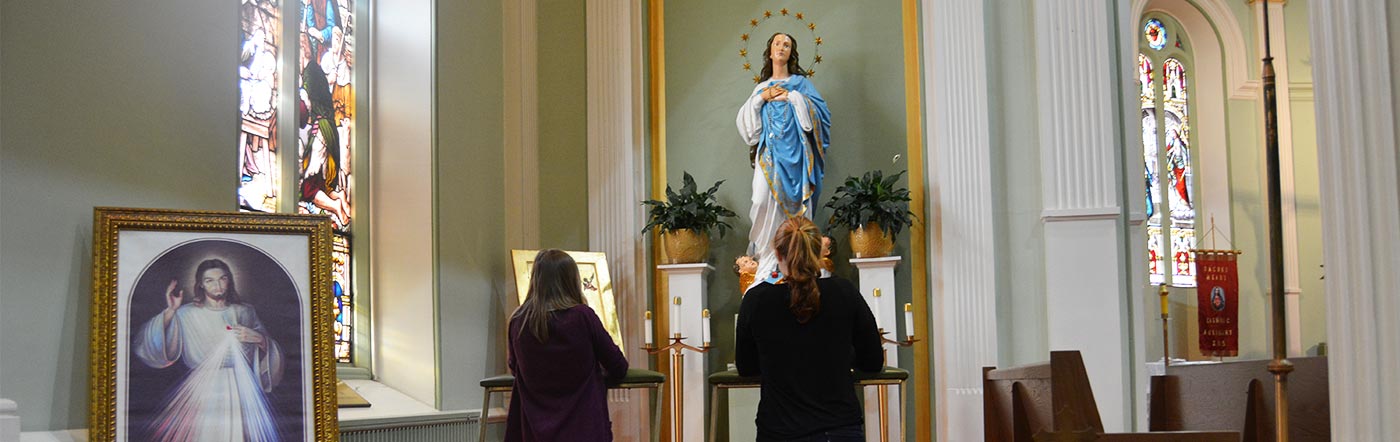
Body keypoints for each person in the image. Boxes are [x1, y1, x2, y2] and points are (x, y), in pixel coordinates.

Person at [736, 217, 882, 442]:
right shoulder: (844, 292)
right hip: (839, 428)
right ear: (819, 252)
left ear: (777, 254)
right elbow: (872, 360)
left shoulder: (756, 300)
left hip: (780, 429)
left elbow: (746, 367)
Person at [133, 258, 284, 442]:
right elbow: (150, 347)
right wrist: (170, 311)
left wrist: (260, 339)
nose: (217, 285)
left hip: (241, 387)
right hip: (202, 389)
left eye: (222, 278)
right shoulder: (186, 314)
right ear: (201, 285)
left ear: (229, 281)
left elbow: (271, 354)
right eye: (209, 280)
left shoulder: (245, 312)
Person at [736, 32, 832, 289]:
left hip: (797, 160)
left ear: (792, 52)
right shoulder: (761, 88)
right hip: (770, 158)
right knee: (760, 200)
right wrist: (762, 98)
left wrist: (792, 97)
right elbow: (747, 128)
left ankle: (798, 261)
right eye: (777, 43)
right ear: (770, 51)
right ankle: (768, 259)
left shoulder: (801, 85)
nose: (781, 47)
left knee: (797, 209)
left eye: (787, 44)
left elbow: (821, 118)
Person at [506, 249, 629, 442]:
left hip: (535, 430)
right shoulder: (582, 316)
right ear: (571, 280)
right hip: (583, 427)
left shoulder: (518, 320)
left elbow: (515, 368)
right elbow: (618, 365)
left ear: (535, 280)